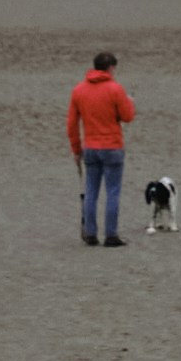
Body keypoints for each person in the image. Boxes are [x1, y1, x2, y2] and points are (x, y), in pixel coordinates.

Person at [65, 50, 134, 246]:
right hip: (112, 147)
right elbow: (127, 116)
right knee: (112, 191)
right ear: (111, 68)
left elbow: (71, 124)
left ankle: (91, 233)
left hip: (90, 147)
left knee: (91, 191)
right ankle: (111, 234)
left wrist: (76, 150)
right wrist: (129, 103)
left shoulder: (79, 90)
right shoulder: (115, 89)